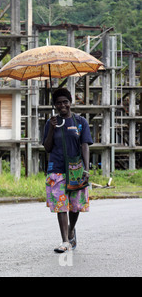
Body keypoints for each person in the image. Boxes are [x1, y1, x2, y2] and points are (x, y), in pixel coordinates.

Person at [43, 88, 93, 253]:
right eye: (58, 103)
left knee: (75, 206)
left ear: (70, 102)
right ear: (55, 105)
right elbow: (47, 147)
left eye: (65, 101)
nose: (62, 105)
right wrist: (51, 128)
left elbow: (85, 145)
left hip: (76, 170)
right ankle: (65, 240)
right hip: (56, 169)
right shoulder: (51, 123)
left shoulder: (80, 122)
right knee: (61, 205)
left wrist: (86, 169)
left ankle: (71, 230)